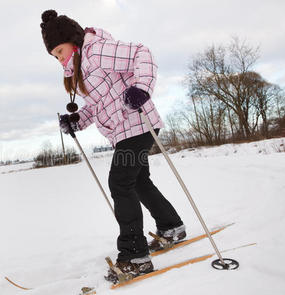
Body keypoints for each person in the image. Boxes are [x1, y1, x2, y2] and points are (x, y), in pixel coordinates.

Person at [40, 9, 186, 280]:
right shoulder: (81, 69)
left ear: (72, 40)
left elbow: (141, 53)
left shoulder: (96, 50)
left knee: (120, 182)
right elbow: (95, 106)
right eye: (55, 56)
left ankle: (135, 256)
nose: (59, 59)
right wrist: (76, 121)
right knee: (138, 182)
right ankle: (171, 227)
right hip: (123, 131)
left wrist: (141, 87)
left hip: (137, 123)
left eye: (59, 51)